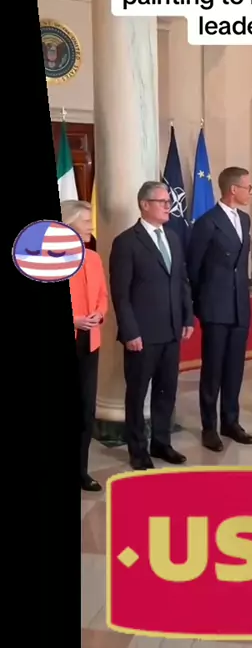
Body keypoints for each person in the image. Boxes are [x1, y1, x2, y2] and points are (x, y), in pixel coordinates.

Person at [109, 181, 194, 471]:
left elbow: (181, 281)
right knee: (137, 394)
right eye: (163, 202)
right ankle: (138, 451)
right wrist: (130, 331)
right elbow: (121, 294)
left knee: (166, 391)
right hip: (142, 335)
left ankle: (161, 442)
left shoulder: (173, 237)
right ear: (145, 205)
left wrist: (187, 316)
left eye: (169, 202)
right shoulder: (126, 242)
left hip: (171, 331)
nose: (169, 206)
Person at [187, 166, 252, 452]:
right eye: (248, 187)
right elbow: (194, 268)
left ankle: (231, 421)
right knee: (213, 370)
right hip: (216, 307)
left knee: (235, 368)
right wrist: (201, 304)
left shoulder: (245, 219)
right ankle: (209, 427)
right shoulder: (207, 223)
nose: (251, 192)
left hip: (240, 306)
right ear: (233, 189)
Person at [62, 199, 109, 493]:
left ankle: (81, 470)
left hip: (89, 343)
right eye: (85, 221)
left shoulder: (93, 258)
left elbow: (102, 296)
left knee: (85, 409)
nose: (91, 226)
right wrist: (75, 319)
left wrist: (99, 315)